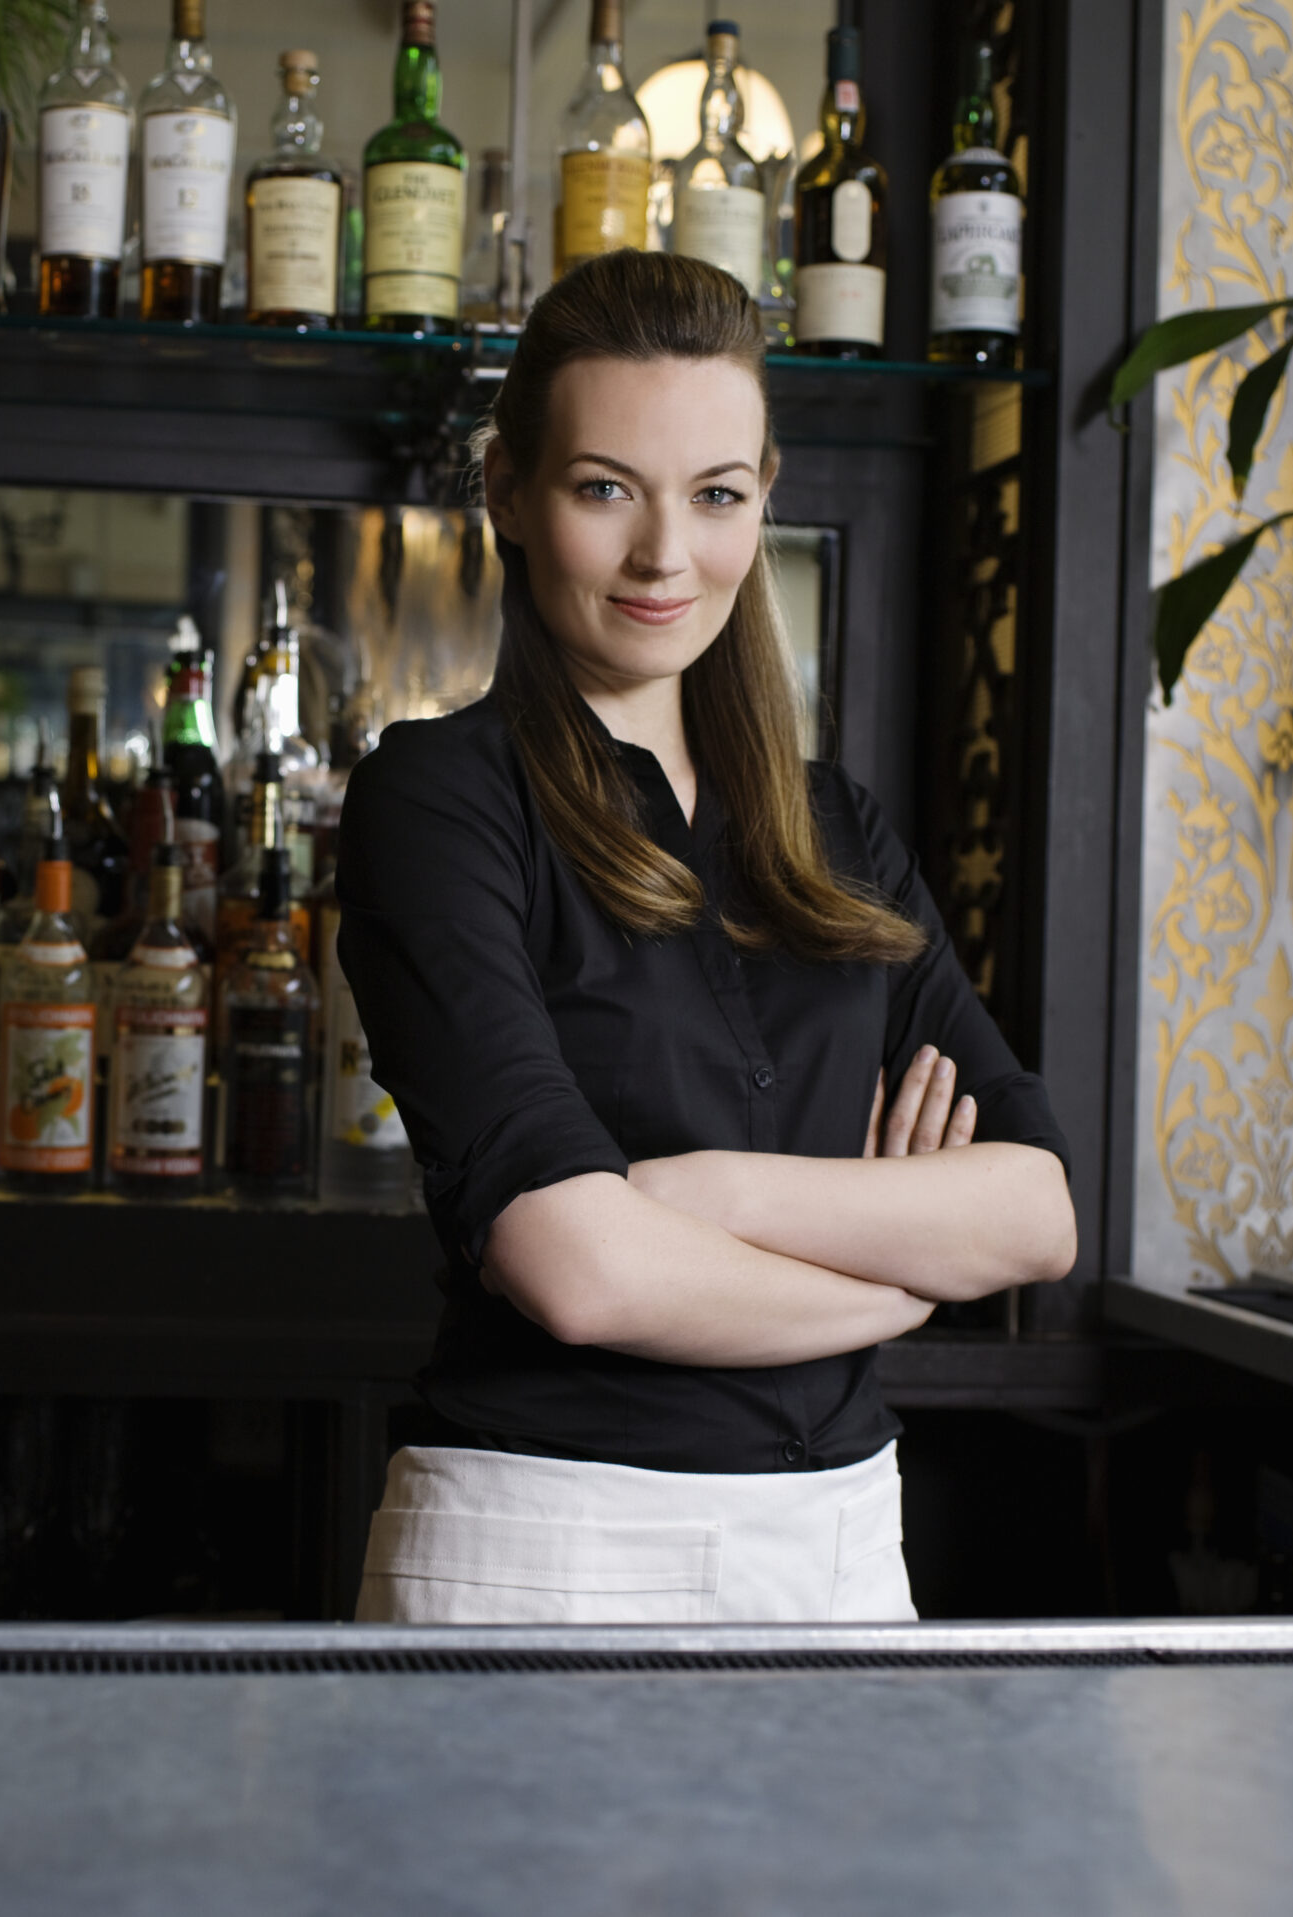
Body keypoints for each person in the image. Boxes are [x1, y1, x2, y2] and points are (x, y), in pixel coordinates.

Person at [334, 250, 1077, 1624]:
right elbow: (582, 1268)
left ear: (762, 500)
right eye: (605, 487)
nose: (666, 554)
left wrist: (703, 1195)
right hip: (546, 1546)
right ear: (509, 491)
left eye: (716, 495)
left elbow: (1035, 1209)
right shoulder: (437, 803)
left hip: (844, 1548)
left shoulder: (838, 831)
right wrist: (896, 1283)